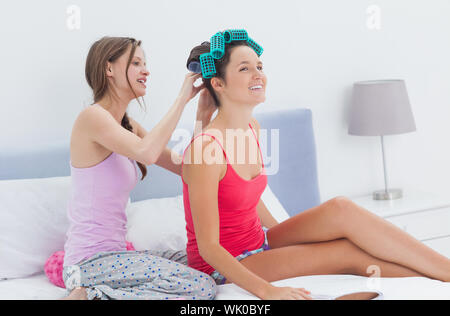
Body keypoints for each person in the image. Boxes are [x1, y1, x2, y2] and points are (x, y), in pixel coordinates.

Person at [180, 30, 450, 300]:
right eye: (244, 68)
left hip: (259, 241)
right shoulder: (206, 149)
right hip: (226, 264)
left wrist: (286, 236)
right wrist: (268, 290)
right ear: (218, 84)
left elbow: (243, 197)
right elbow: (209, 247)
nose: (258, 74)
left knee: (340, 208)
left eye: (259, 66)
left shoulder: (252, 127)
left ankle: (446, 271)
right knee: (347, 252)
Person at [62, 36, 217, 300]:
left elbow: (189, 169)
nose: (146, 70)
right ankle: (92, 295)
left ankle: (102, 293)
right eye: (136, 63)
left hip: (117, 258)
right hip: (88, 263)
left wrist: (202, 117)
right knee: (201, 286)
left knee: (205, 262)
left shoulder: (127, 125)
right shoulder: (92, 118)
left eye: (145, 63)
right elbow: (147, 151)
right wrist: (182, 98)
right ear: (109, 69)